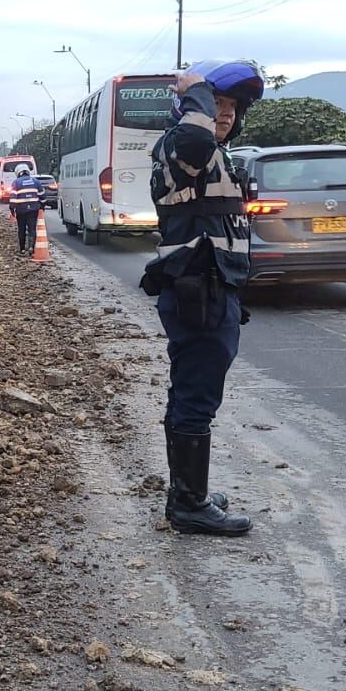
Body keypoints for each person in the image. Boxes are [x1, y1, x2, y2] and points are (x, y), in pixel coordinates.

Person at [138, 59, 264, 537]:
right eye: (217, 105)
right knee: (196, 395)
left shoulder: (215, 156)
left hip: (212, 287)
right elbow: (194, 138)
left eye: (231, 106)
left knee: (194, 390)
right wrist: (196, 93)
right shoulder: (182, 147)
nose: (224, 114)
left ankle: (186, 491)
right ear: (191, 109)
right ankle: (189, 503)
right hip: (198, 289)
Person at [8, 164, 43, 255]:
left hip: (21, 210)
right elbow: (42, 195)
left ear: (18, 173)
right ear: (28, 171)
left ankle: (22, 249)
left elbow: (13, 198)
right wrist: (42, 205)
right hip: (33, 210)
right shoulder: (36, 182)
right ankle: (31, 247)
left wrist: (12, 209)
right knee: (32, 228)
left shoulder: (16, 183)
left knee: (21, 229)